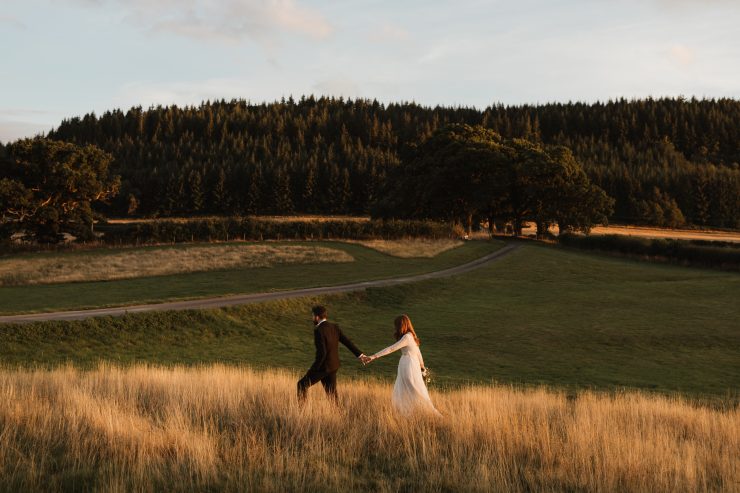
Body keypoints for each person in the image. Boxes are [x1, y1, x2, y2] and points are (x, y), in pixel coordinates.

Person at [364, 314, 440, 416]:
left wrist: (373, 356)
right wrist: (422, 367)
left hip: (408, 365)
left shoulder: (407, 337)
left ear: (401, 325)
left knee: (412, 389)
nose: (395, 328)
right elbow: (418, 353)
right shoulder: (412, 336)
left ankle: (424, 413)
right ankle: (410, 414)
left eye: (396, 326)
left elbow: (391, 349)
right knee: (409, 388)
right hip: (411, 364)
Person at [297, 305, 366, 404]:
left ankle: (302, 413)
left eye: (312, 316)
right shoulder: (334, 327)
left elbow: (322, 353)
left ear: (317, 317)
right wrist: (361, 355)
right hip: (333, 366)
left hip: (323, 367)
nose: (312, 318)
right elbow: (347, 342)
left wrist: (313, 369)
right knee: (332, 394)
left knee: (301, 385)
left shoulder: (319, 330)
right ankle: (336, 414)